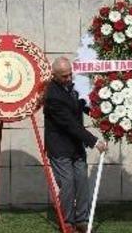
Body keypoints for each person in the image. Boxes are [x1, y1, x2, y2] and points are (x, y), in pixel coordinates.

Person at [44, 57, 108, 233]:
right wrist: (94, 141)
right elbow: (69, 124)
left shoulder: (70, 88)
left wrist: (103, 113)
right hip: (59, 147)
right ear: (54, 75)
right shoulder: (52, 96)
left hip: (76, 146)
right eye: (64, 76)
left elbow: (79, 105)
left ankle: (82, 220)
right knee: (68, 183)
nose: (69, 78)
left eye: (70, 74)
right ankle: (67, 222)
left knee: (81, 181)